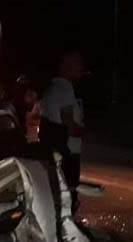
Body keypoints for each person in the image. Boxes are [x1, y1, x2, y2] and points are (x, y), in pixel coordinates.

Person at [40, 49, 86, 213]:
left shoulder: (51, 88)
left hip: (56, 152)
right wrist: (84, 131)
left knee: (57, 197)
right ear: (66, 66)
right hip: (68, 152)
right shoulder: (64, 88)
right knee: (68, 198)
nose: (81, 67)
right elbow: (70, 127)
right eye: (77, 63)